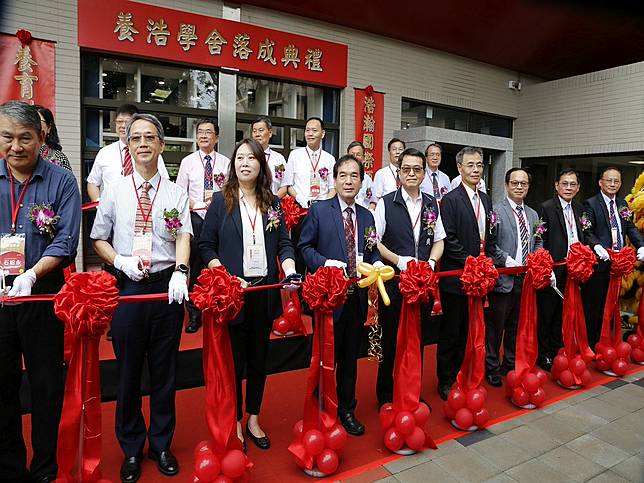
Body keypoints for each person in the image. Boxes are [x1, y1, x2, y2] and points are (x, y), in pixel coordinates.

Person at [91, 113, 191, 482]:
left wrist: (181, 271)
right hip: (129, 286)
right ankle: (131, 448)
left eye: (150, 137)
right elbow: (98, 238)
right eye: (136, 138)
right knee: (129, 371)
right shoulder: (115, 189)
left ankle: (161, 444)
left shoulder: (175, 192)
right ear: (128, 146)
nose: (143, 144)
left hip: (167, 287)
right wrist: (120, 261)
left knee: (165, 371)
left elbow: (183, 236)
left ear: (162, 145)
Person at [199, 138, 299, 450]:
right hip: (233, 295)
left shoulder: (273, 203)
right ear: (234, 165)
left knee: (258, 361)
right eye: (240, 158)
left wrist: (290, 267)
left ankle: (253, 417)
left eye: (251, 158)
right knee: (235, 364)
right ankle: (235, 422)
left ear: (260, 165)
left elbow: (284, 242)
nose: (245, 163)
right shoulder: (221, 201)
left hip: (264, 293)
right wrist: (226, 277)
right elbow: (205, 246)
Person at [0, 101, 81, 482]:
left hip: (42, 295)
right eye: (7, 137)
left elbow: (66, 241)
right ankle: (11, 466)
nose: (15, 146)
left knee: (47, 387)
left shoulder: (62, 181)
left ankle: (45, 469)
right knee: (2, 388)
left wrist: (31, 274)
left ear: (41, 137)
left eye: (24, 138)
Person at [298, 155, 383, 436]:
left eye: (354, 176)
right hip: (328, 299)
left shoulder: (367, 216)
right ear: (335, 179)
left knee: (349, 359)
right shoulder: (319, 211)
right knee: (325, 359)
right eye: (343, 175)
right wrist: (324, 263)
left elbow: (370, 249)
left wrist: (376, 262)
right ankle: (322, 408)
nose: (348, 181)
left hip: (356, 298)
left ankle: (346, 408)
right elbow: (304, 247)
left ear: (361, 181)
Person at [373, 148, 445, 406]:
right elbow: (374, 242)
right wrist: (399, 260)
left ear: (424, 173)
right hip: (394, 284)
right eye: (406, 169)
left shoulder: (431, 203)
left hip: (423, 284)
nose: (412, 173)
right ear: (399, 172)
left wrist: (432, 263)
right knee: (391, 341)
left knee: (418, 340)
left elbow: (439, 240)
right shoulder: (386, 202)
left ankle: (412, 388)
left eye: (417, 169)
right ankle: (385, 393)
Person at [437, 146, 496, 400]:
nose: (475, 169)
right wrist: (472, 263)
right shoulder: (450, 200)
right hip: (457, 278)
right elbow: (449, 238)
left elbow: (490, 233)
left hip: (480, 276)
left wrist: (487, 261)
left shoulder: (486, 199)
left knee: (470, 331)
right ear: (459, 168)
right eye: (470, 165)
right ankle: (446, 379)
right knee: (452, 331)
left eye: (479, 165)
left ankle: (465, 373)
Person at [486, 168, 542, 386]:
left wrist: (536, 258)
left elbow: (538, 240)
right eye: (515, 183)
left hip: (525, 279)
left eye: (524, 184)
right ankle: (491, 367)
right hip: (503, 279)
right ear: (506, 185)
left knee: (516, 325)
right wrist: (507, 260)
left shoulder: (533, 214)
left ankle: (509, 363)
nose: (519, 187)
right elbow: (491, 245)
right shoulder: (495, 211)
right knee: (496, 327)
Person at [176, 118, 230, 333]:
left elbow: (229, 191)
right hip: (196, 217)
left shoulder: (225, 162)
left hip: (219, 217)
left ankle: (219, 305)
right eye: (200, 132)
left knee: (219, 262)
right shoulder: (187, 162)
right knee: (196, 265)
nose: (204, 136)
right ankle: (195, 313)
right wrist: (197, 204)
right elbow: (180, 193)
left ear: (216, 137)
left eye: (209, 132)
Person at [582, 167, 644, 349]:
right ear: (600, 182)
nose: (612, 184)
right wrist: (597, 246)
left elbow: (630, 227)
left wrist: (641, 245)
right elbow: (587, 231)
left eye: (616, 181)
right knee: (595, 307)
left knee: (612, 306)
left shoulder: (622, 204)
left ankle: (607, 341)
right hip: (599, 264)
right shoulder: (590, 204)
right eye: (609, 180)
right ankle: (591, 344)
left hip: (618, 266)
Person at [536, 168, 586, 371]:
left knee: (564, 312)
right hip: (553, 270)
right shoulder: (545, 208)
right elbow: (540, 240)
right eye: (564, 183)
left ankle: (558, 348)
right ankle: (544, 353)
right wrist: (547, 268)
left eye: (572, 184)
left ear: (578, 187)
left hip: (573, 270)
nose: (568, 188)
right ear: (556, 186)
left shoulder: (579, 209)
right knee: (547, 312)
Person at [87, 104, 170, 202]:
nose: (122, 126)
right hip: (112, 208)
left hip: (143, 208)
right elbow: (93, 182)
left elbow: (163, 181)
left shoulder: (148, 152)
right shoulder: (104, 153)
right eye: (119, 122)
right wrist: (98, 202)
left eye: (126, 122)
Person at [284, 117, 336, 208]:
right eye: (307, 130)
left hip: (323, 207)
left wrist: (326, 205)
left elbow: (333, 187)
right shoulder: (294, 155)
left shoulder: (330, 159)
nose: (310, 134)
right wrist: (301, 200)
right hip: (299, 207)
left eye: (314, 130)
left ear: (322, 134)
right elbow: (289, 185)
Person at [251, 116, 288, 197]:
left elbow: (284, 186)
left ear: (270, 133)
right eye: (254, 131)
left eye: (261, 130)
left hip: (272, 204)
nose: (257, 134)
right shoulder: (247, 157)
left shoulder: (278, 159)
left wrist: (272, 201)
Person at [35, 105, 72, 171]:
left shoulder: (58, 157)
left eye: (38, 121)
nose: (34, 125)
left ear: (49, 127)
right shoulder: (18, 154)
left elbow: (67, 180)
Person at [347, 140, 377, 210]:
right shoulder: (342, 177)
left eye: (358, 154)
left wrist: (370, 212)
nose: (355, 157)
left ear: (363, 158)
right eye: (352, 154)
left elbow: (373, 201)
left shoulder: (367, 179)